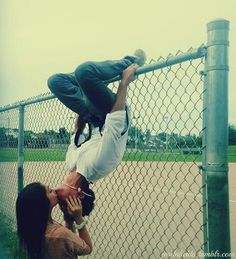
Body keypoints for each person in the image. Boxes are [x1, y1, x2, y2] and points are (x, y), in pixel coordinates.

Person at [47, 50, 146, 215]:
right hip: (112, 113)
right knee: (84, 72)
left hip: (90, 117)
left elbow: (77, 132)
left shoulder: (70, 163)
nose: (56, 197)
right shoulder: (98, 165)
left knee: (55, 81)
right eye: (63, 202)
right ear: (78, 194)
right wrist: (124, 83)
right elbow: (115, 123)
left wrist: (85, 104)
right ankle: (132, 61)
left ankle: (92, 82)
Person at [16, 182, 92, 259]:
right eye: (50, 191)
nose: (55, 190)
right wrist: (78, 218)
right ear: (42, 203)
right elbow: (88, 248)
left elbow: (68, 243)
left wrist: (68, 218)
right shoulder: (60, 234)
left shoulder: (36, 230)